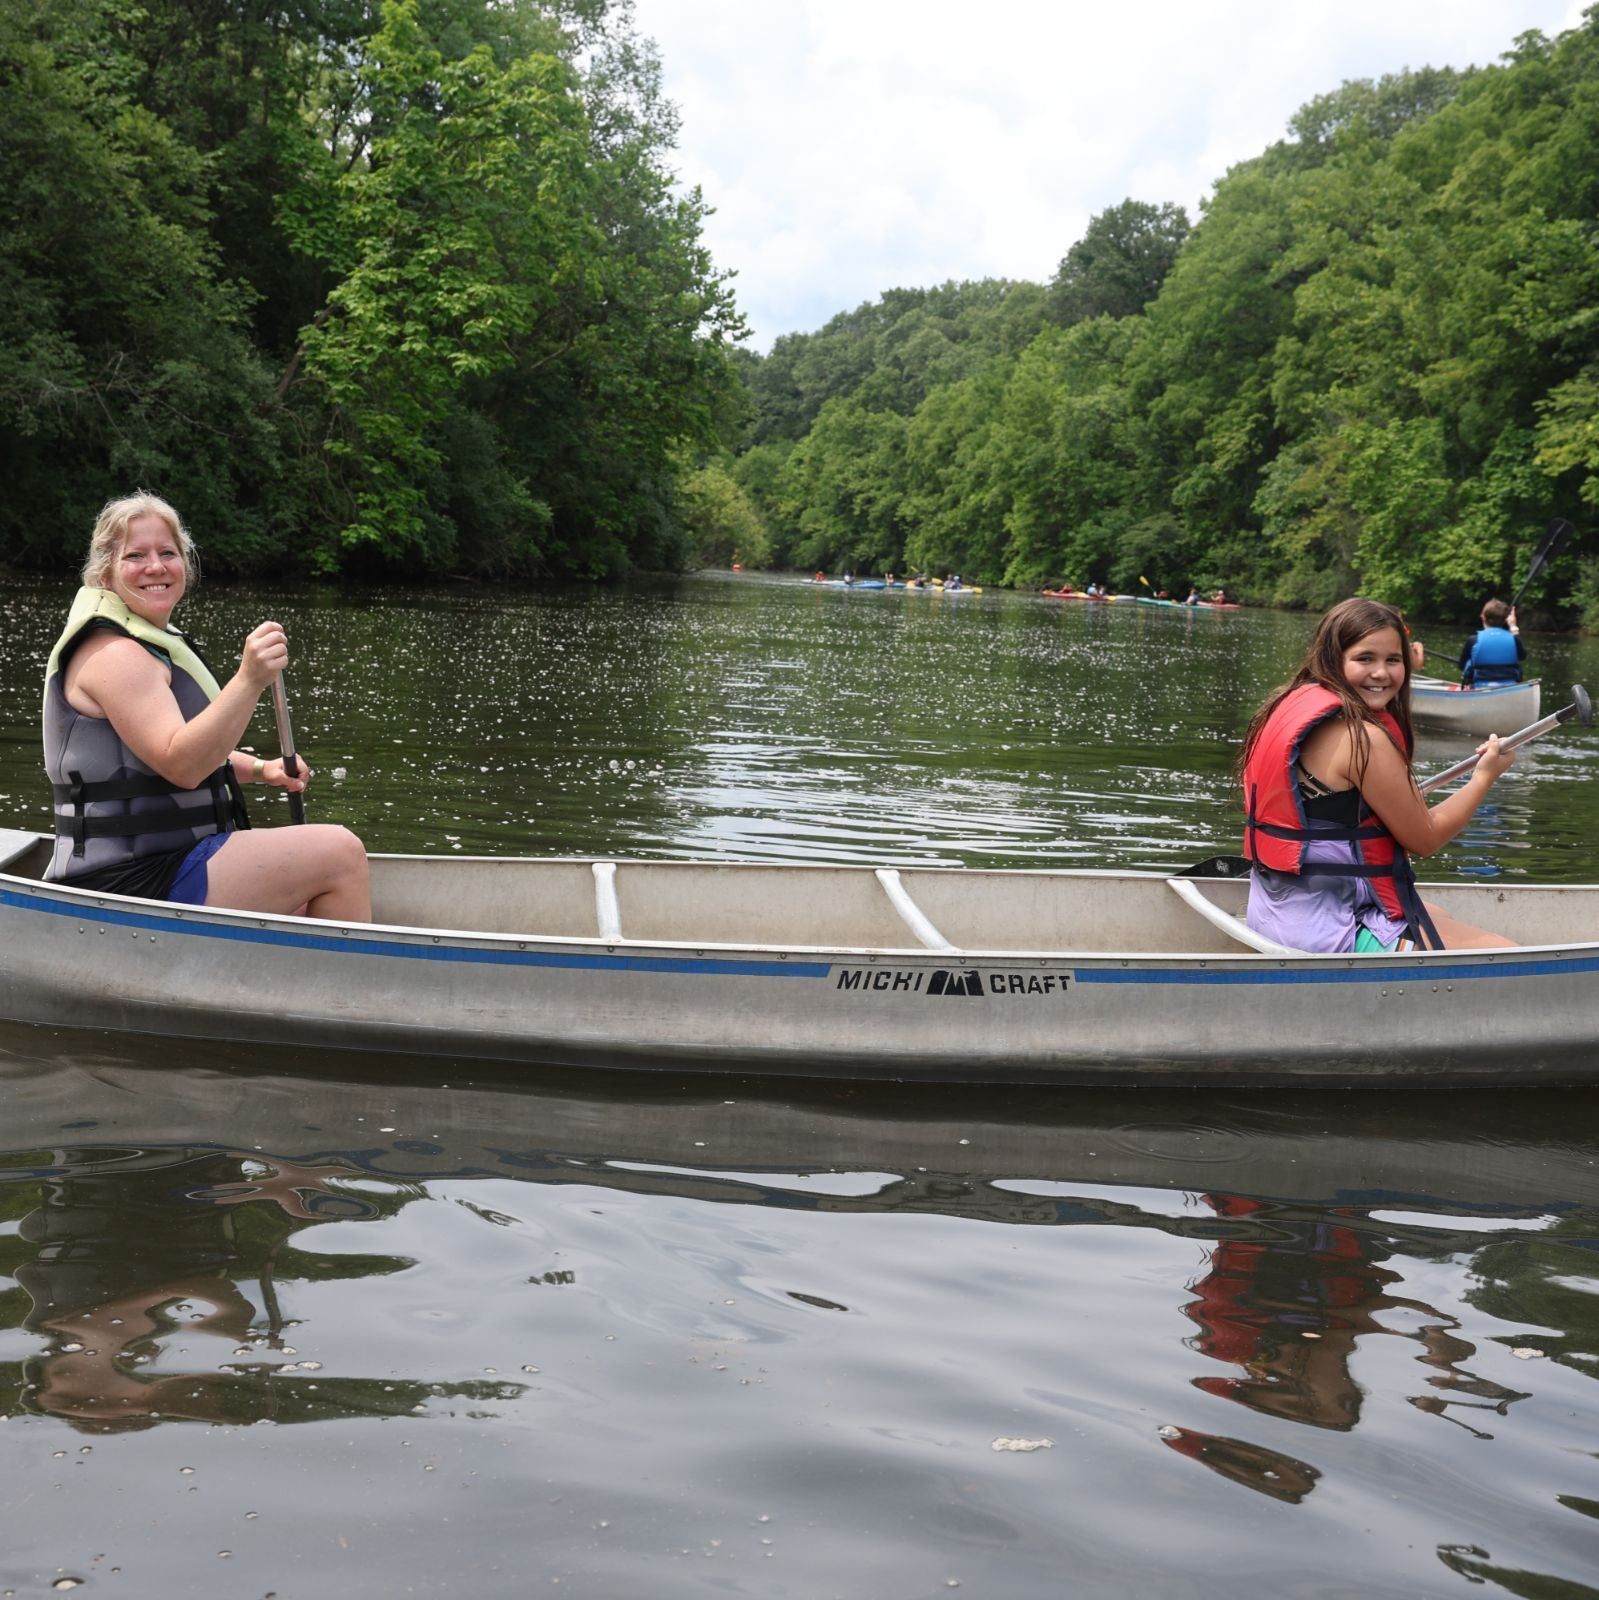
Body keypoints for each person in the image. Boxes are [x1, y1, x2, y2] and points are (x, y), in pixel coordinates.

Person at [43, 492, 370, 920]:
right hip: (127, 880)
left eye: (168, 552)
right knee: (339, 853)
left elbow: (167, 751)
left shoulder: (146, 643)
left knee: (311, 887)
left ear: (185, 564)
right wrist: (249, 679)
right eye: (135, 555)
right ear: (105, 573)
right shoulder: (116, 656)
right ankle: (336, 985)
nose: (156, 566)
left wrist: (259, 769)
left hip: (169, 860)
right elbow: (182, 764)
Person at [1239, 597, 1515, 953]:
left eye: (1393, 660)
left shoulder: (1285, 704)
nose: (1381, 673)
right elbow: (1425, 840)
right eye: (1365, 658)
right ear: (1332, 659)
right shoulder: (1362, 739)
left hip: (1276, 912)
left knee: (1439, 913)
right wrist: (1483, 777)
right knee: (1509, 952)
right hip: (1330, 932)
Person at [1457, 598, 1525, 687]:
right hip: (1509, 686)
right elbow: (1523, 656)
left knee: (1469, 662)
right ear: (1506, 620)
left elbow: (1461, 666)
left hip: (1479, 686)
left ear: (1483, 617)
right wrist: (1514, 627)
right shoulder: (1514, 639)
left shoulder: (1473, 640)